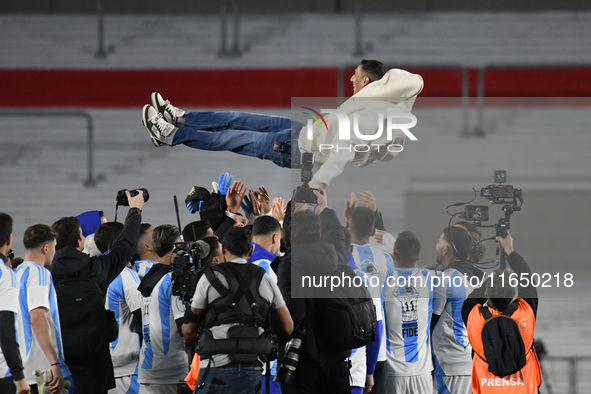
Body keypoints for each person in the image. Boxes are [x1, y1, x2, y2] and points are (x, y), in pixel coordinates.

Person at [141, 60, 423, 188]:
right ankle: (180, 118)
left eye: (355, 76)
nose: (350, 80)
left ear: (368, 82)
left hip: (294, 149)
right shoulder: (374, 105)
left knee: (229, 138)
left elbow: (343, 153)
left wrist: (315, 185)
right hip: (300, 133)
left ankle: (171, 136)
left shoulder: (372, 118)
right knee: (237, 118)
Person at [50, 190, 144, 394]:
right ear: (79, 242)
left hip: (58, 363)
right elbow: (126, 247)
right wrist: (135, 210)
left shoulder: (45, 274)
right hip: (96, 363)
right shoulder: (98, 268)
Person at [181, 226, 293, 394]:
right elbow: (288, 327)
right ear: (251, 250)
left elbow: (189, 330)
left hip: (215, 368)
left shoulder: (209, 279)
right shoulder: (265, 279)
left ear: (223, 248)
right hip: (252, 369)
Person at [276, 190, 353, 394]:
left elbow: (295, 315)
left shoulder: (289, 265)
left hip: (303, 367)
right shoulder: (336, 257)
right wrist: (324, 208)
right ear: (318, 234)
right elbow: (337, 236)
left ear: (287, 241)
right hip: (336, 364)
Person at [462, 232, 541, 394]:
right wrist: (510, 250)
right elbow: (527, 280)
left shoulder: (474, 318)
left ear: (486, 295)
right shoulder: (526, 313)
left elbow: (471, 300)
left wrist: (492, 279)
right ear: (514, 295)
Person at [15, 224, 72, 394]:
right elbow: (37, 319)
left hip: (21, 371)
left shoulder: (15, 274)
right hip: (41, 370)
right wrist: (54, 363)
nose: (55, 252)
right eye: (54, 247)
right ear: (46, 248)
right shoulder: (39, 273)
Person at [383, 231, 439, 394]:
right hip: (422, 372)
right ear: (419, 255)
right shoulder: (431, 279)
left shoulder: (383, 281)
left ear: (393, 254)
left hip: (393, 372)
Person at [345, 206, 394, 394]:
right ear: (373, 231)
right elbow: (382, 299)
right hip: (377, 347)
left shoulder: (342, 256)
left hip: (350, 347)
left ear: (349, 225)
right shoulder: (386, 260)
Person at [430, 226, 484, 394]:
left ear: (445, 249)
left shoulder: (446, 279)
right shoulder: (481, 278)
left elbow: (431, 320)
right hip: (471, 359)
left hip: (449, 363)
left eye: (439, 241)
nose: (436, 245)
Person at [137, 225, 188, 394]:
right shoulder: (172, 280)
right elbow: (185, 328)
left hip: (147, 370)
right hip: (171, 372)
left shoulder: (149, 278)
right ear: (175, 247)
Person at [95, 222, 143, 394]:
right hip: (129, 369)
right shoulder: (124, 274)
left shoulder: (93, 270)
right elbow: (144, 316)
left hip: (107, 365)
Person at [0, 213, 30, 394]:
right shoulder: (5, 274)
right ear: (9, 239)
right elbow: (5, 325)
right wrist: (19, 375)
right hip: (3, 373)